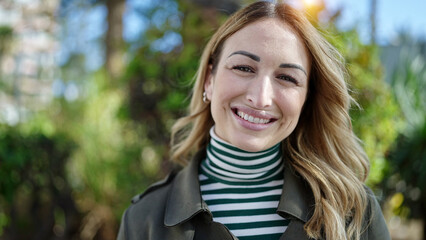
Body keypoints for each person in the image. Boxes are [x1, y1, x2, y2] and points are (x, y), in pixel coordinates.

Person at [117, 1, 391, 240]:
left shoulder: (355, 211)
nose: (260, 99)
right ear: (209, 80)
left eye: (286, 78)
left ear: (306, 99)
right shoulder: (143, 220)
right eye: (244, 68)